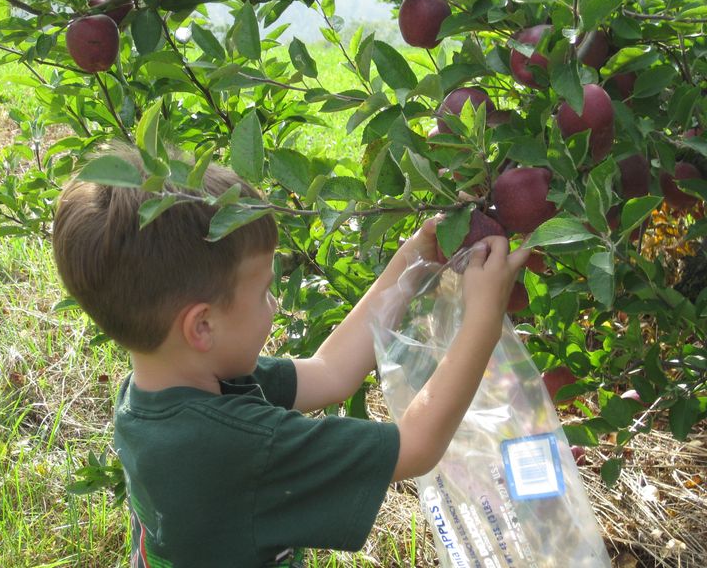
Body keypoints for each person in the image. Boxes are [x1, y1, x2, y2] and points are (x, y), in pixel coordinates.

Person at [52, 142, 529, 568]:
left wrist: (411, 260)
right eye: (263, 292)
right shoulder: (236, 447)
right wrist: (483, 318)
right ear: (202, 326)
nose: (274, 304)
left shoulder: (161, 390)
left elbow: (331, 372)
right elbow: (417, 446)